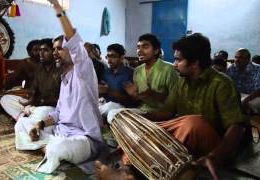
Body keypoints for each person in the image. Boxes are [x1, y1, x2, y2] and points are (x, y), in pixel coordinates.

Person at [96, 33, 247, 180]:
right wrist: (134, 118)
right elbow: (166, 112)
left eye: (178, 60)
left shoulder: (221, 84)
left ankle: (132, 171)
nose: (174, 64)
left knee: (194, 123)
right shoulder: (182, 81)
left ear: (194, 63)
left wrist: (215, 156)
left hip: (214, 146)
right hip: (188, 135)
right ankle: (127, 170)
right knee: (149, 130)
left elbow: (237, 127)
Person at [17, 0, 104, 174]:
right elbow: (58, 113)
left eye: (60, 49)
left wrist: (57, 7)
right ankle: (49, 149)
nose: (55, 53)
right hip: (59, 132)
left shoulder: (83, 71)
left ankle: (50, 150)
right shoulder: (64, 77)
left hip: (83, 138)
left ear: (73, 52)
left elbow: (73, 39)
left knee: (59, 147)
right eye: (54, 49)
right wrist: (40, 125)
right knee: (22, 124)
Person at [106, 34, 178, 123]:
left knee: (121, 117)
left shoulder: (169, 69)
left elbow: (174, 102)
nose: (139, 51)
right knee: (112, 113)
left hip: (162, 114)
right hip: (142, 110)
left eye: (145, 47)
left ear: (156, 50)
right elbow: (138, 100)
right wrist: (134, 95)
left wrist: (152, 94)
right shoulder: (137, 71)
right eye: (138, 47)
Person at [0, 38, 61, 121]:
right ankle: (24, 117)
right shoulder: (39, 68)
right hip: (37, 105)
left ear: (53, 52)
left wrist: (41, 101)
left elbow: (62, 100)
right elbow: (34, 91)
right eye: (39, 50)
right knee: (5, 99)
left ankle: (28, 117)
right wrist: (30, 102)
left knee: (43, 112)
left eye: (45, 50)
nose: (41, 53)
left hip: (51, 107)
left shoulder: (60, 69)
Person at [98, 43, 134, 120]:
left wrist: (108, 90)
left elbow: (130, 101)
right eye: (108, 56)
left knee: (108, 108)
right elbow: (102, 92)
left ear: (122, 57)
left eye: (113, 56)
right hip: (105, 104)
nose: (109, 60)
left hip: (121, 107)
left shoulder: (129, 73)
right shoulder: (106, 72)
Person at [227, 48, 260, 114]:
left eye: (240, 57)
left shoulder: (257, 69)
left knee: (244, 103)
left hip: (254, 95)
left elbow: (259, 90)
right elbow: (226, 84)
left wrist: (246, 100)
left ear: (248, 59)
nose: (237, 60)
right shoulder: (232, 68)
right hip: (236, 94)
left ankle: (247, 121)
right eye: (236, 57)